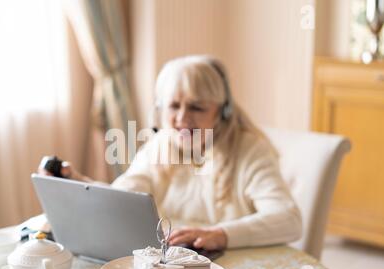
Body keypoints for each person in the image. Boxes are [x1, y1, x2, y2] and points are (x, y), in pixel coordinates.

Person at [38, 55, 302, 251]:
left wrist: (220, 234)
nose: (182, 118)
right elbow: (124, 198)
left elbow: (289, 220)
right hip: (173, 268)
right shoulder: (158, 145)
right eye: (173, 106)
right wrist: (80, 184)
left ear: (223, 112)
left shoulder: (249, 151)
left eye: (197, 107)